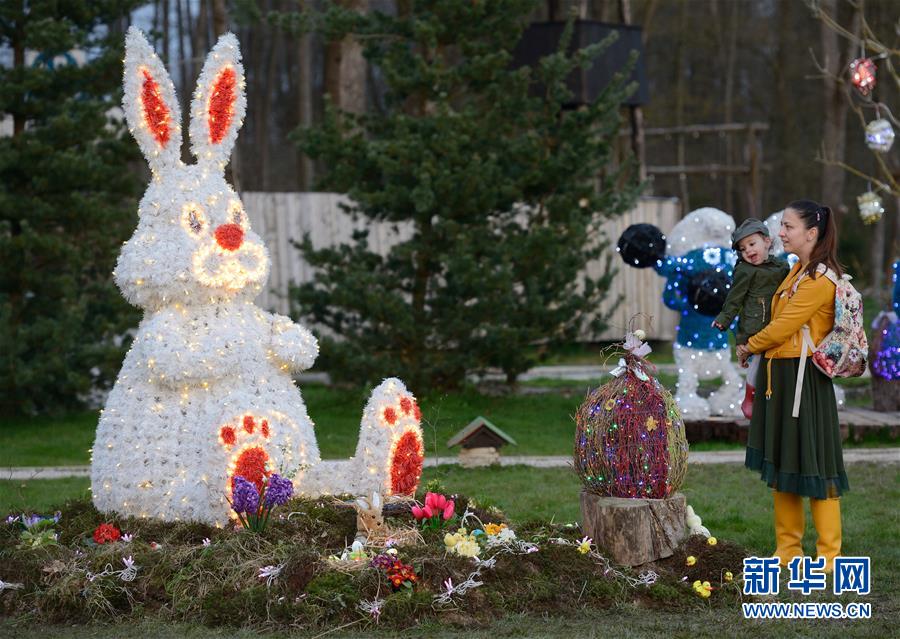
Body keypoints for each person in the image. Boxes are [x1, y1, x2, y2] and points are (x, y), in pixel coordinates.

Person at [737, 200, 847, 572]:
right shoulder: (797, 271)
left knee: (817, 463)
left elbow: (783, 326)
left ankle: (829, 555)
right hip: (782, 376)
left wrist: (749, 346)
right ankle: (788, 549)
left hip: (806, 380)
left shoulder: (819, 278)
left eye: (788, 226)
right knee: (784, 461)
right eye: (781, 226)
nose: (780, 233)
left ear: (811, 233)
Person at [712, 219, 790, 419]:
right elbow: (734, 298)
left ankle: (774, 396)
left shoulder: (781, 266)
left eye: (752, 244)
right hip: (754, 325)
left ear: (767, 241)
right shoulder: (744, 270)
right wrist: (724, 318)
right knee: (757, 362)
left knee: (776, 363)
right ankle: (750, 396)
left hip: (778, 322)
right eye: (742, 248)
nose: (747, 250)